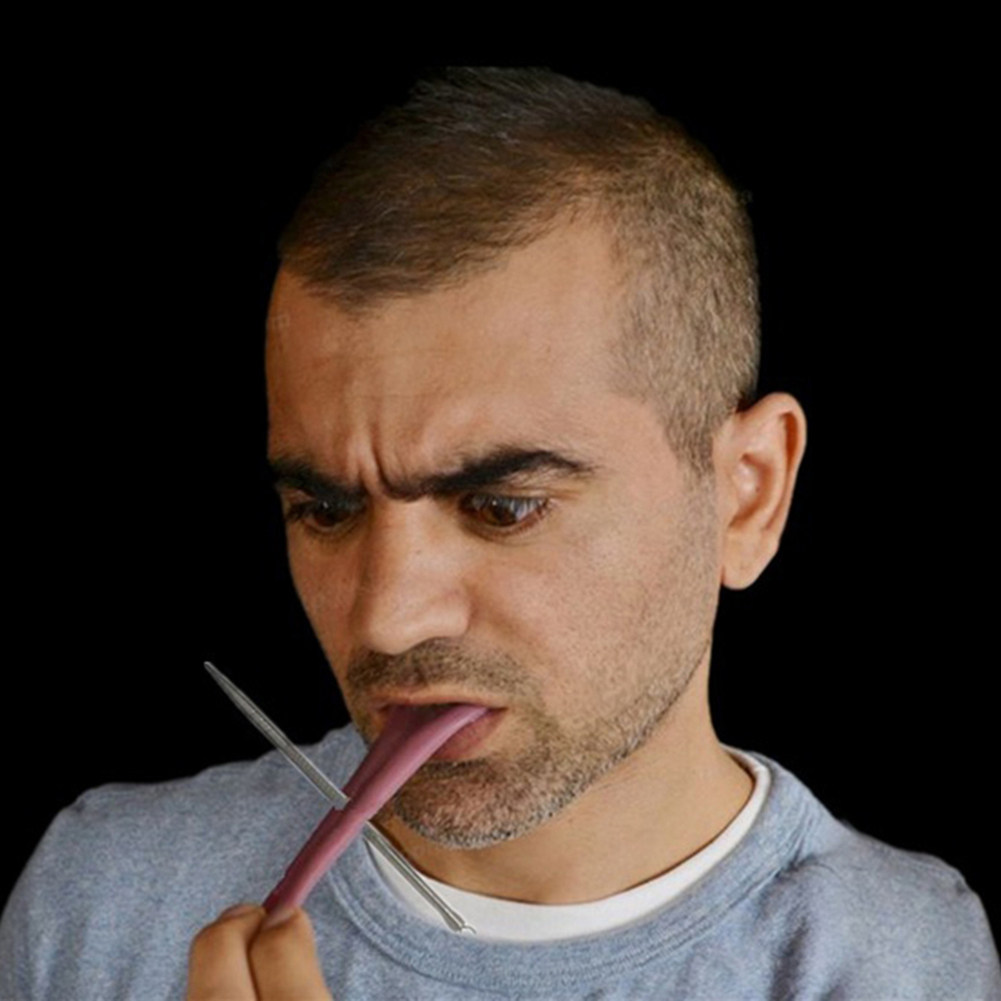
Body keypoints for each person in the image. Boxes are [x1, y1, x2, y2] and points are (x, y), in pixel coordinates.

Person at [3, 67, 998, 1000]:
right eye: (327, 510)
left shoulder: (887, 957)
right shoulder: (107, 896)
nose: (388, 620)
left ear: (746, 496)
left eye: (502, 506)